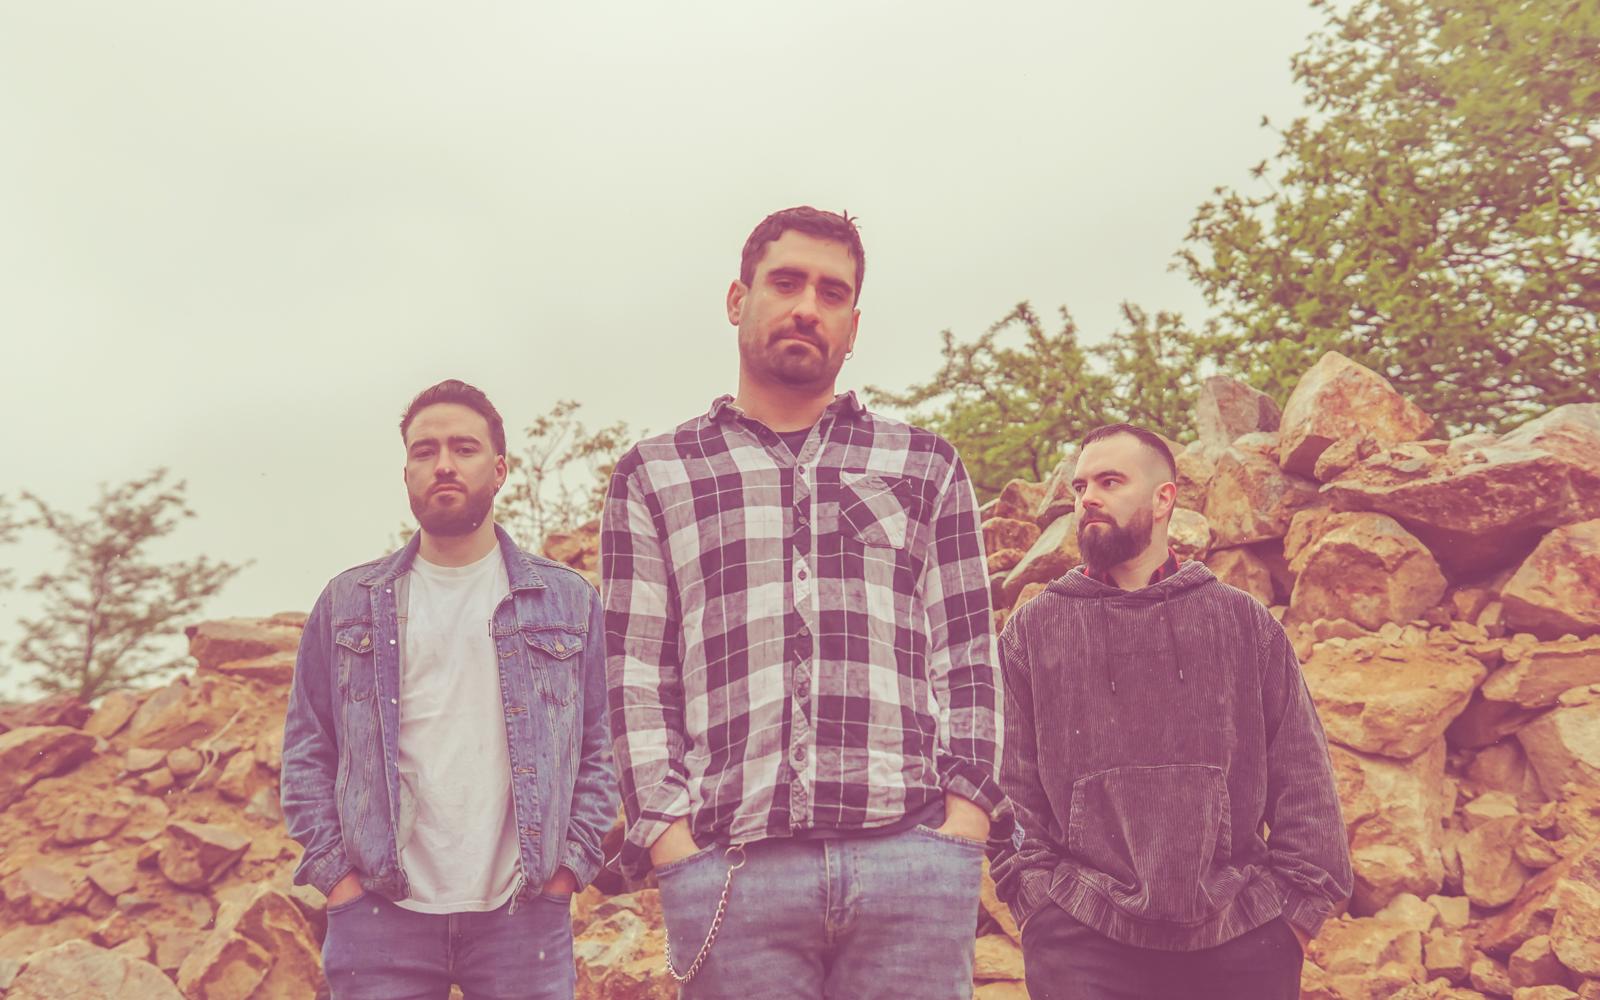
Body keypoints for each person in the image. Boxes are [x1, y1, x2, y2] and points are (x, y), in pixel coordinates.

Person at [601, 206, 1006, 999]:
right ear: (737, 299)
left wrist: (965, 822)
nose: (807, 307)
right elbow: (635, 676)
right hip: (731, 873)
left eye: (832, 292)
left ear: (853, 326)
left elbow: (967, 652)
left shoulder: (924, 463)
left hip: (912, 865)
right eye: (785, 283)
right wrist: (670, 841)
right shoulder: (655, 474)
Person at [990, 423, 1352, 1000]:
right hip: (1082, 939)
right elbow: (1012, 789)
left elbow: (1304, 778)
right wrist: (1038, 909)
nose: (1088, 498)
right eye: (1081, 486)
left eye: (1110, 482)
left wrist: (1293, 921)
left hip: (1240, 934)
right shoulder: (1034, 631)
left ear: (1164, 499)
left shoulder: (1241, 622)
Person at [282, 379, 618, 1000]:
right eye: (424, 450)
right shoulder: (347, 603)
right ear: (406, 473)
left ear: (500, 469)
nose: (443, 464)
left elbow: (603, 747)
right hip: (379, 915)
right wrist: (339, 883)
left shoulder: (568, 601)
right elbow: (307, 752)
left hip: (524, 915)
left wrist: (567, 872)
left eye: (464, 448)